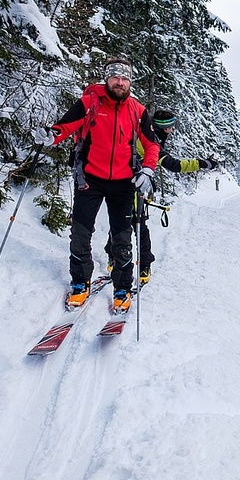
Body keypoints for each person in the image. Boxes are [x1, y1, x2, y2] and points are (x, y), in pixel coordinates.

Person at [47, 56, 161, 313]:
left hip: (123, 182)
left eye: (124, 78)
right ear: (107, 78)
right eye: (115, 77)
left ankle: (122, 288)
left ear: (130, 82)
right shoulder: (89, 103)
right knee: (80, 234)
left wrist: (148, 169)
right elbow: (64, 127)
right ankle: (79, 283)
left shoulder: (138, 111)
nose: (119, 82)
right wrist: (50, 136)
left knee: (122, 238)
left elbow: (152, 144)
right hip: (89, 179)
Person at [103, 109, 218, 285]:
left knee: (119, 224)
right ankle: (144, 266)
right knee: (139, 227)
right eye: (170, 126)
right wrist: (202, 163)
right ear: (162, 127)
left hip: (117, 185)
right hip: (133, 189)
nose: (172, 130)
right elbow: (175, 165)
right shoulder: (150, 141)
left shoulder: (140, 133)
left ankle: (113, 258)